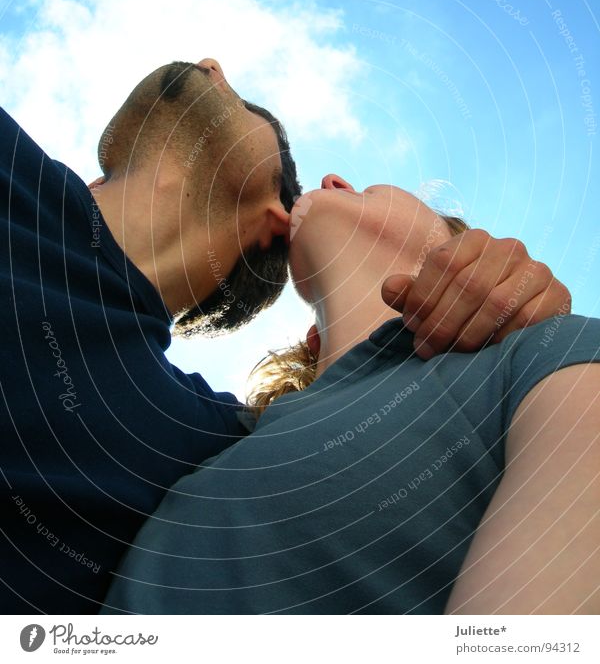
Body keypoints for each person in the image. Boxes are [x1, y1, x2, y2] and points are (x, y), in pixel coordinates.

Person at [0, 56, 571, 614]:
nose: (211, 62)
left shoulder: (203, 440)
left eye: (246, 104)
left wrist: (540, 335)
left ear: (278, 218)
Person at [102, 177, 599, 615]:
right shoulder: (216, 433)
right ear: (310, 340)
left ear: (463, 248)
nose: (332, 179)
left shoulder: (546, 353)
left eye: (367, 188)